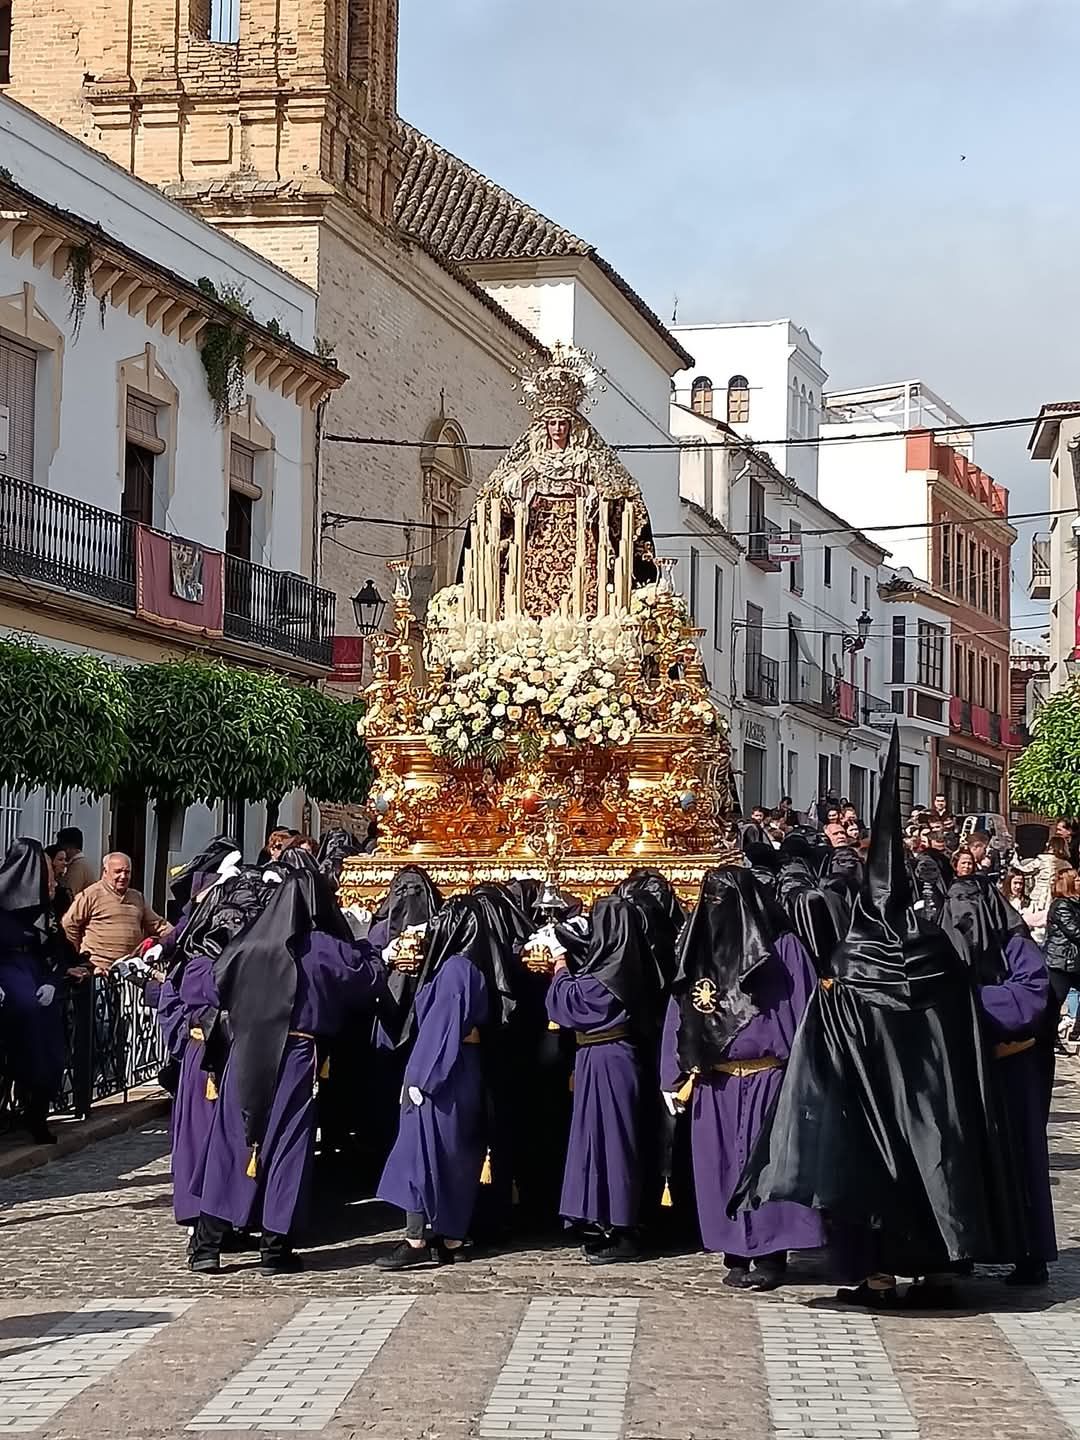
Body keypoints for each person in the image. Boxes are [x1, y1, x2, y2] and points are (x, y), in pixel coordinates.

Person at [733, 727, 1027, 1308]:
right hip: (934, 1105)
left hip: (870, 1108)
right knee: (936, 1168)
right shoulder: (937, 953)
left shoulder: (852, 960)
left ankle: (878, 1277)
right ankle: (940, 1271)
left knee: (879, 1175)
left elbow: (825, 1041)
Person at [191, 857, 382, 1274]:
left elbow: (209, 986)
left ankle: (208, 1244)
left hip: (246, 1049)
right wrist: (366, 944)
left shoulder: (247, 943)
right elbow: (367, 979)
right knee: (288, 1144)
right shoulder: (323, 947)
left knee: (231, 1141)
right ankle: (275, 1246)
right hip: (297, 1052)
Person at [662, 867, 824, 1290]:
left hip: (768, 1078)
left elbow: (806, 1015)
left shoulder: (784, 949)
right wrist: (674, 1071)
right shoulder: (699, 948)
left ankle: (771, 1253)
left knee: (766, 1167)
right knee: (720, 1169)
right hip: (715, 1083)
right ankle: (733, 1248)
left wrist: (804, 1073)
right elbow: (680, 1010)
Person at [939, 875, 1056, 1286]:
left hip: (1012, 1071)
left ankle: (1030, 1253)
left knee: (1020, 1159)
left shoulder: (1018, 946)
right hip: (963, 1072)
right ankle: (964, 1247)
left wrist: (969, 1003)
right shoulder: (942, 944)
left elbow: (1030, 998)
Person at [546, 894, 664, 1264]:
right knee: (599, 1140)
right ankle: (608, 1221)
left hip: (608, 1058)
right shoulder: (627, 959)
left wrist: (560, 965)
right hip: (602, 1058)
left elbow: (574, 1004)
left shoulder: (614, 969)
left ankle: (624, 1227)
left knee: (613, 1144)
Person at [377, 896, 492, 1268]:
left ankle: (416, 1239)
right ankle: (451, 1238)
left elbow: (442, 1029)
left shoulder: (456, 969)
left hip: (444, 1074)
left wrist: (420, 1077)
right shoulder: (467, 966)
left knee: (421, 1153)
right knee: (452, 1156)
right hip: (459, 1069)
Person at [0, 838, 68, 1144]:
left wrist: (54, 981)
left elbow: (60, 949)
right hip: (7, 974)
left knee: (47, 1045)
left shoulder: (45, 908)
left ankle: (37, 1112)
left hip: (37, 975)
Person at [61, 853, 171, 972]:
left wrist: (181, 933)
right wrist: (77, 956)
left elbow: (158, 925)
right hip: (99, 969)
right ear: (105, 871)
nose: (123, 876)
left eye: (127, 872)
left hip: (129, 969)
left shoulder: (137, 897)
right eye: (118, 871)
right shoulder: (91, 894)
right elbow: (69, 924)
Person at [56, 826, 94, 897]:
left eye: (60, 846)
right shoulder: (81, 863)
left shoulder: (78, 866)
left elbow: (69, 894)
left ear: (68, 847)